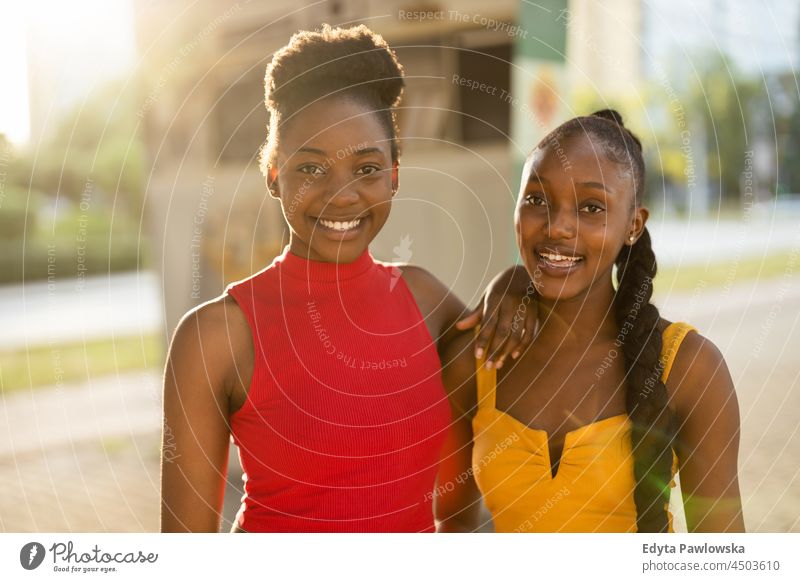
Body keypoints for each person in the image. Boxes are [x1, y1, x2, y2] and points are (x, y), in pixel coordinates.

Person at [160, 24, 523, 533]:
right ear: (272, 174)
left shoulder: (426, 302)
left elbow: (464, 501)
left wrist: (516, 283)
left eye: (366, 168)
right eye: (310, 169)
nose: (341, 196)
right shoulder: (215, 337)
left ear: (394, 175)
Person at [438, 110, 745, 533]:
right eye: (536, 200)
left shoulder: (690, 368)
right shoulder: (475, 358)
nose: (558, 227)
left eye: (592, 207)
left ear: (633, 225)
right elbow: (450, 525)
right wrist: (509, 281)